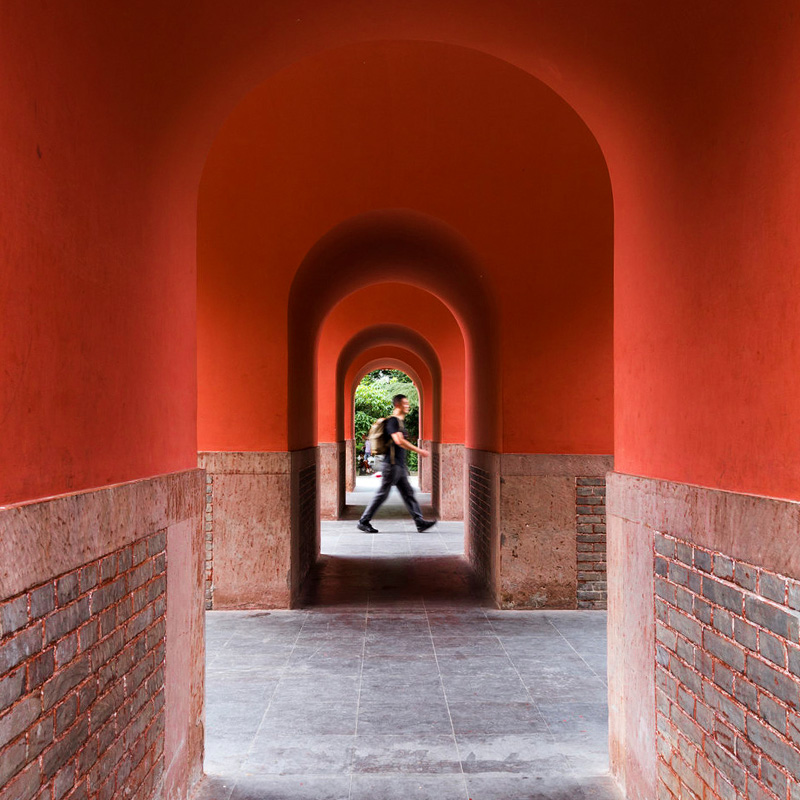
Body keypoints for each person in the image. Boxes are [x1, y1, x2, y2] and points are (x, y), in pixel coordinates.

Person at [357, 394, 436, 533]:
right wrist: (419, 450)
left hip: (397, 465)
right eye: (405, 403)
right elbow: (398, 441)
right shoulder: (393, 421)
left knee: (408, 493)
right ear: (398, 405)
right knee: (382, 494)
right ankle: (363, 521)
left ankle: (419, 521)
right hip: (391, 465)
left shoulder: (399, 422)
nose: (408, 406)